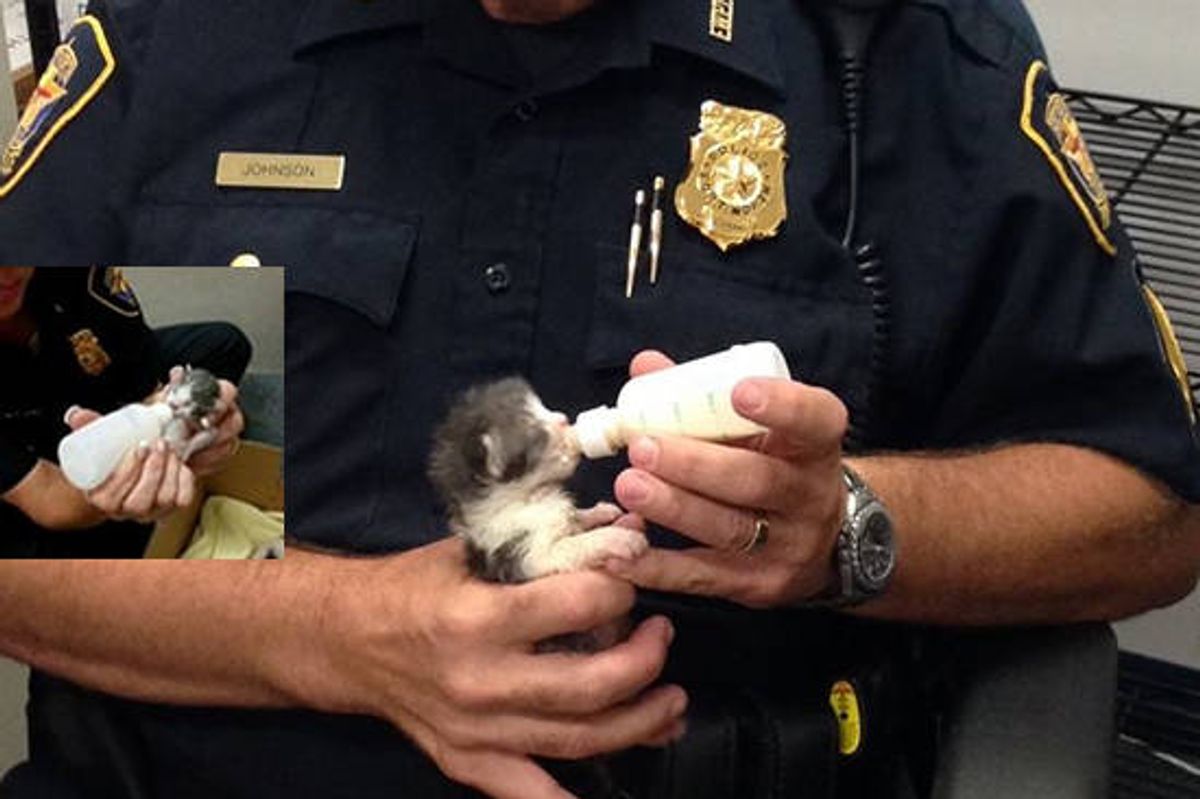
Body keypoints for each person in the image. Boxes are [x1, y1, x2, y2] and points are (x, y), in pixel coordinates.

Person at [0, 0, 1198, 797]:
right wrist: (340, 632)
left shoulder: (895, 53)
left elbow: (1150, 511)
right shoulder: (182, 46)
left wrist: (852, 530)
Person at [0, 267, 249, 558]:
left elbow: (141, 380)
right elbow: (48, 496)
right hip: (26, 451)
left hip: (77, 384)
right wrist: (110, 493)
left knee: (224, 344)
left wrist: (171, 423)